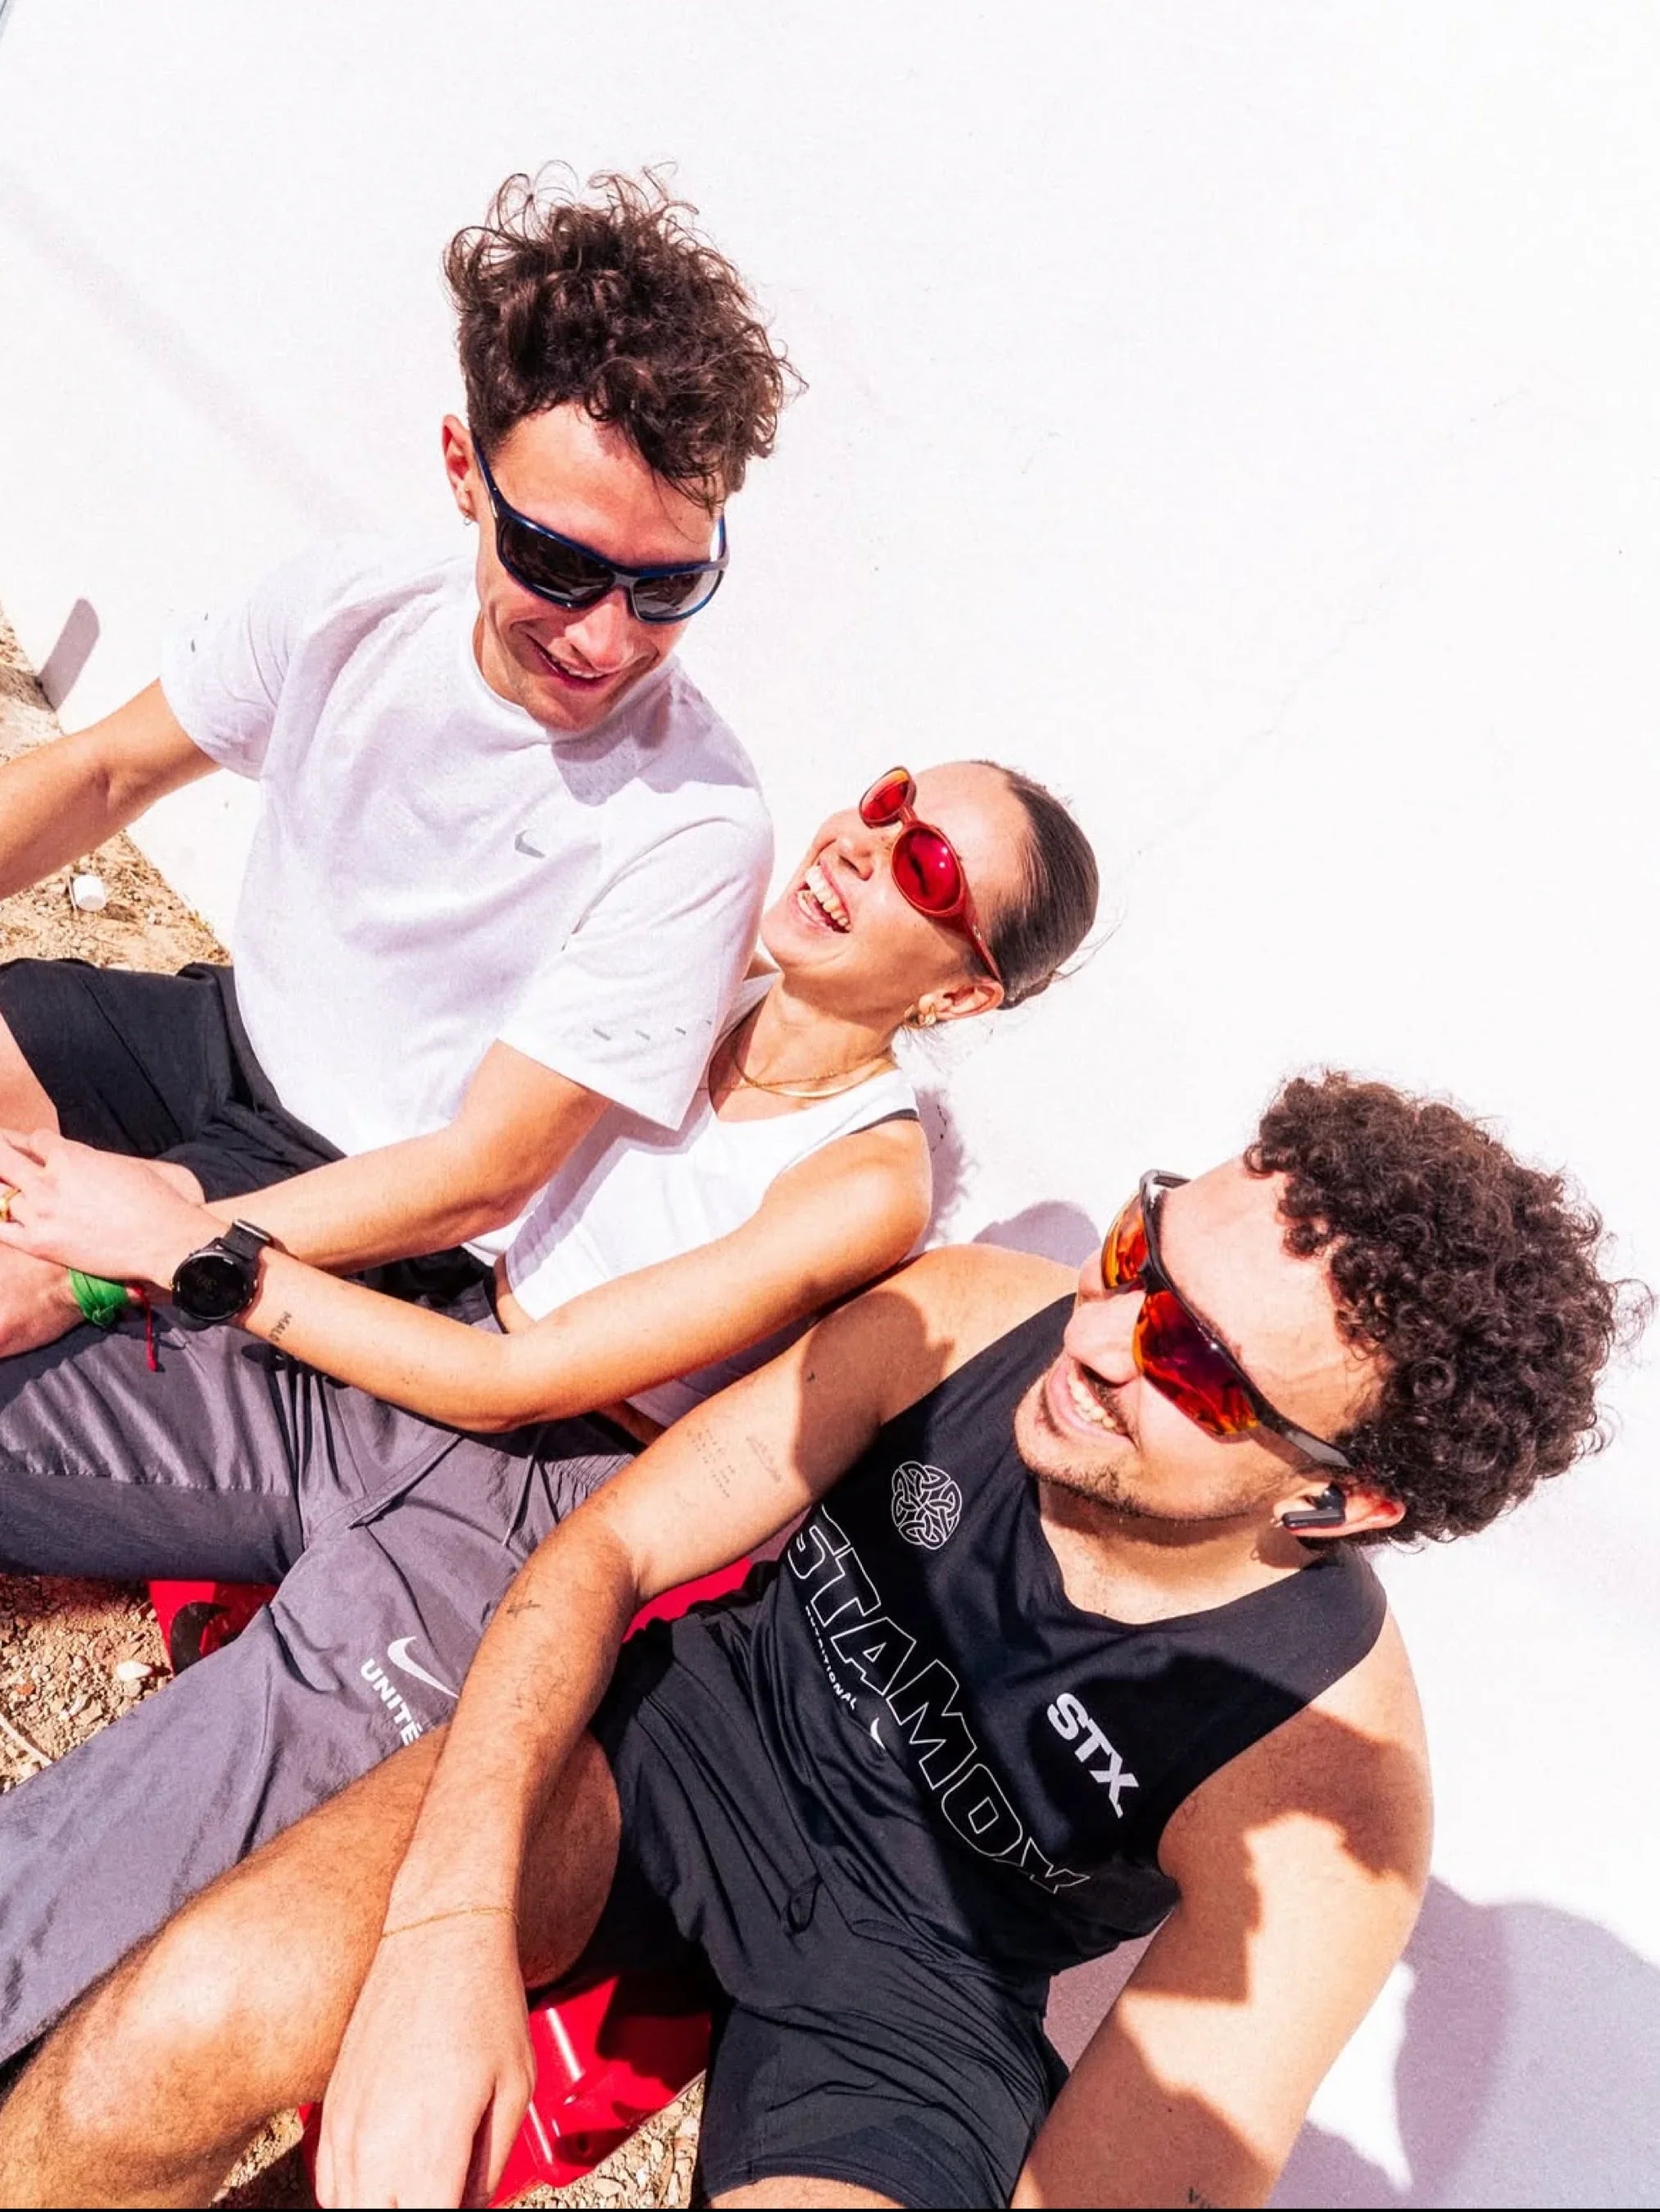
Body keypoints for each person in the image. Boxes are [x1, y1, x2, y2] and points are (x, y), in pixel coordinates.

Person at [0, 1074, 1635, 2209]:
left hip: (914, 1984)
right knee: (180, 2029)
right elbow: (609, 1546)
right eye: (1140, 1256)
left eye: (1200, 1370)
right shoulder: (985, 1310)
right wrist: (442, 1936)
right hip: (679, 1748)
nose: (1101, 1340)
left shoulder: (1325, 1798)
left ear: (1335, 1506)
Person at [0, 758, 1100, 2072]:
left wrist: (192, 1252)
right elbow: (457, 1170)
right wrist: (150, 1241)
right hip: (402, 1331)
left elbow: (529, 1383)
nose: (866, 846)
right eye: (888, 799)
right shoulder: (688, 973)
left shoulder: (863, 1183)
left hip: (536, 1494)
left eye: (925, 868)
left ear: (962, 989)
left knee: (148, 1829)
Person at [0, 166, 789, 1358]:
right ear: (463, 472)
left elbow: (479, 1179)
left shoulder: (697, 824)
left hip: (367, 1208)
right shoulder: (350, 605)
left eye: (669, 585)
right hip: (212, 1034)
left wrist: (115, 1265)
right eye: (557, 563)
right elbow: (105, 774)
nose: (605, 637)